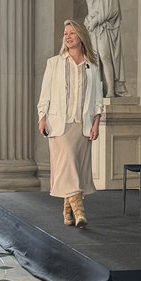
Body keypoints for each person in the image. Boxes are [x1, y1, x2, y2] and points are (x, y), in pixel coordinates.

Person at [37, 20, 104, 228]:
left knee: (74, 167)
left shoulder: (92, 66)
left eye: (72, 33)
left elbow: (97, 99)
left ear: (81, 37)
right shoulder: (54, 63)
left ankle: (68, 211)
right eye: (65, 33)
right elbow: (45, 94)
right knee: (68, 164)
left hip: (82, 124)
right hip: (59, 124)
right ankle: (79, 210)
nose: (67, 36)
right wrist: (42, 116)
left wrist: (96, 123)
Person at [83, 0, 127, 98]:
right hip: (92, 30)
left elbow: (113, 10)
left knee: (105, 56)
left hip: (105, 28)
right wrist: (88, 20)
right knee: (93, 59)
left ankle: (111, 90)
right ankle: (97, 90)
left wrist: (97, 20)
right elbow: (90, 10)